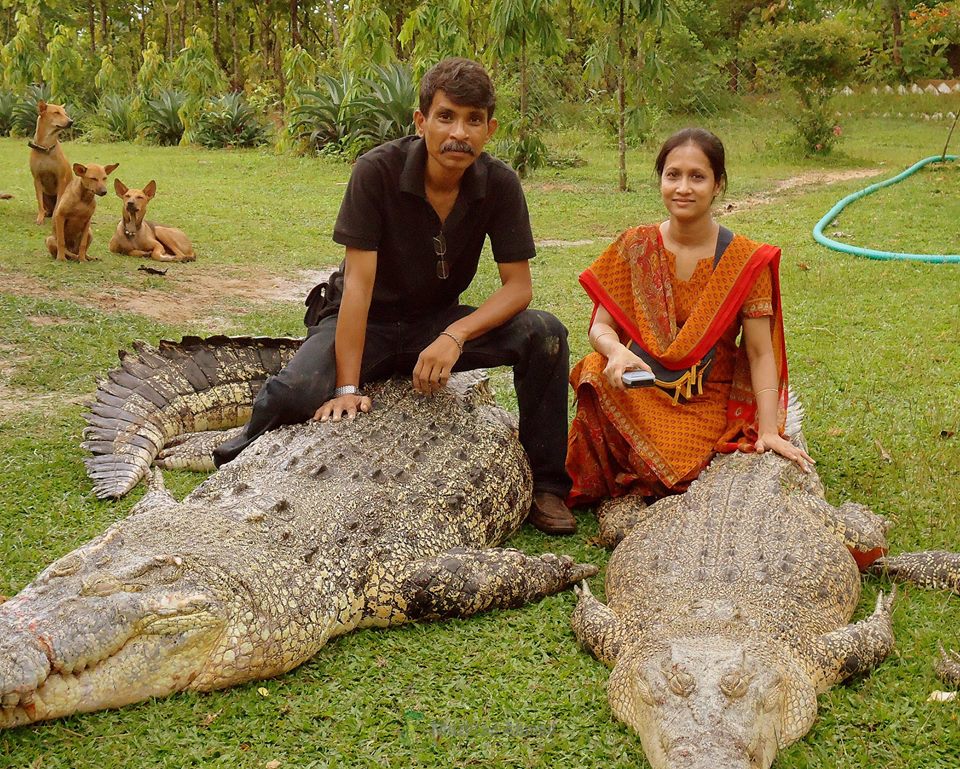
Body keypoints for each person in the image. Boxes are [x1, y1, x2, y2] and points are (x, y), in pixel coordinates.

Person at [213, 57, 576, 534]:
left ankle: (547, 487)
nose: (458, 134)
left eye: (473, 121)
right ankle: (235, 456)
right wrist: (346, 387)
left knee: (544, 334)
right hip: (368, 320)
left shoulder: (500, 184)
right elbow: (358, 287)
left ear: (490, 128)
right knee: (295, 392)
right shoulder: (376, 172)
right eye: (446, 117)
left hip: (435, 323)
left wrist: (455, 335)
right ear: (421, 121)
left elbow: (519, 288)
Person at [565, 127, 812, 508]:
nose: (683, 188)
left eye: (697, 177)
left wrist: (768, 430)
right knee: (594, 371)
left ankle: (642, 476)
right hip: (642, 387)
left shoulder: (745, 261)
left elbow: (761, 353)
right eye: (673, 175)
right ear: (661, 179)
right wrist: (615, 352)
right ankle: (624, 477)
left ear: (718, 185)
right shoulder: (635, 246)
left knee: (673, 469)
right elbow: (600, 326)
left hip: (707, 397)